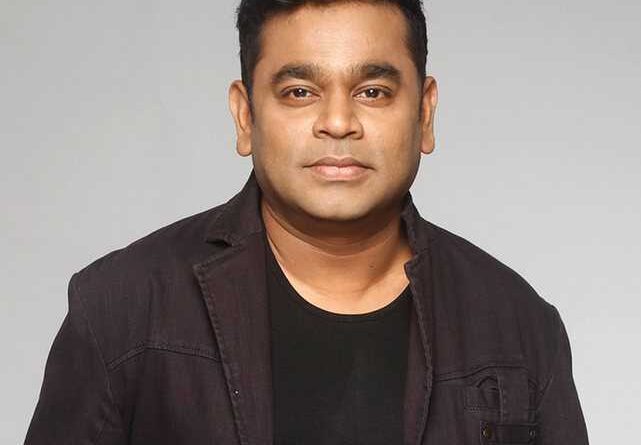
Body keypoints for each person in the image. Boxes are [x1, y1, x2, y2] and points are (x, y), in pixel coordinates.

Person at [25, 1, 589, 444]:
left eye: (373, 91)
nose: (338, 121)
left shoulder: (518, 325)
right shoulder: (121, 310)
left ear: (424, 113)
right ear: (245, 116)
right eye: (299, 92)